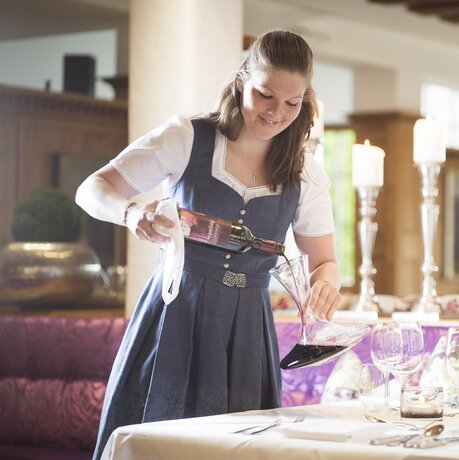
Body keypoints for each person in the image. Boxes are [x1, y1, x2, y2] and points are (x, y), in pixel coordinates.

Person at [75, 30, 342, 460]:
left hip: (249, 331)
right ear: (241, 82)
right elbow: (92, 188)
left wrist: (326, 283)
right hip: (177, 312)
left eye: (292, 103)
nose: (277, 112)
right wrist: (130, 213)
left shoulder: (304, 172)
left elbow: (324, 261)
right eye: (265, 95)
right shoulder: (186, 138)